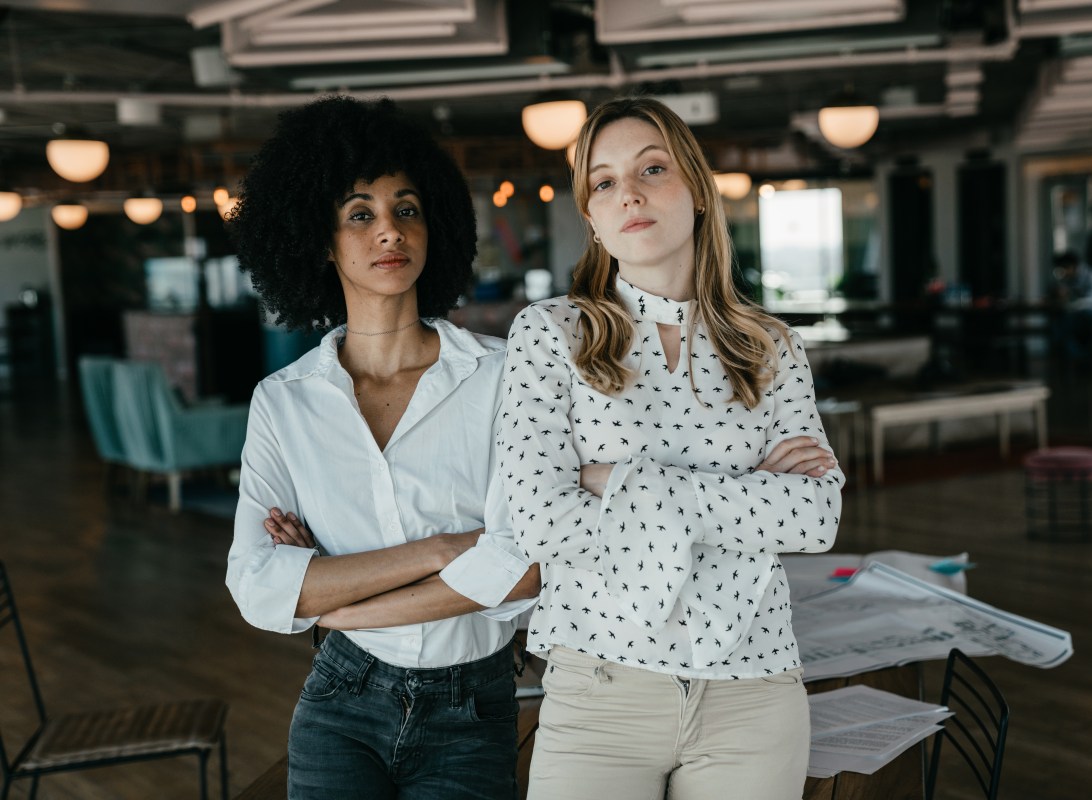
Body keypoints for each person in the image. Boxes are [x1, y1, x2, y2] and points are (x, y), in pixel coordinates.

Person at [496, 97, 845, 799]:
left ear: (695, 189)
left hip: (755, 689)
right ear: (591, 217)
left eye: (651, 168)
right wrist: (750, 495)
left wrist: (617, 480)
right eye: (603, 181)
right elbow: (536, 521)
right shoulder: (550, 335)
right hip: (599, 690)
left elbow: (814, 519)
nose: (628, 191)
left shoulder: (770, 346)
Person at [224, 96, 539, 800]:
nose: (389, 231)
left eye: (408, 209)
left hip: (475, 703)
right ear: (320, 238)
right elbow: (255, 586)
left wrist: (326, 592)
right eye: (360, 213)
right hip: (342, 700)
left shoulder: (505, 376)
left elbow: (521, 570)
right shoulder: (284, 401)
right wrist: (439, 552)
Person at [1049, 250, 1092, 366]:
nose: (1063, 273)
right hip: (1080, 316)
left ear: (1072, 266)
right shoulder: (1067, 280)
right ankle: (1076, 361)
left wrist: (1076, 303)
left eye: (1064, 269)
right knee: (1061, 326)